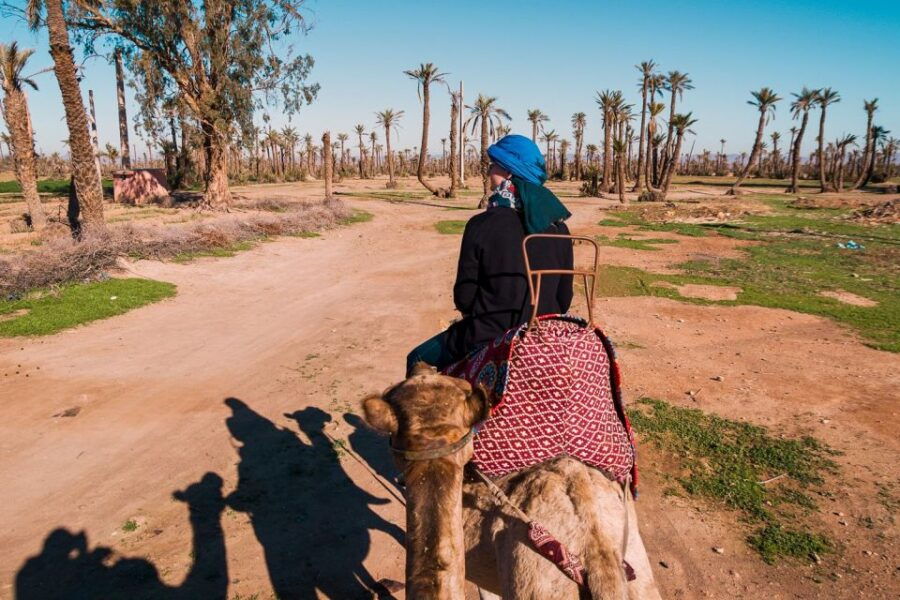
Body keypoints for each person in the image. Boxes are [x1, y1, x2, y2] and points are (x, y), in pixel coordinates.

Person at [406, 134, 574, 376]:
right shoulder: (560, 228)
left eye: (493, 165)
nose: (488, 172)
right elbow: (564, 298)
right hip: (544, 332)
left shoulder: (481, 224)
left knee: (417, 358)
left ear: (509, 172)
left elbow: (465, 297)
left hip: (489, 335)